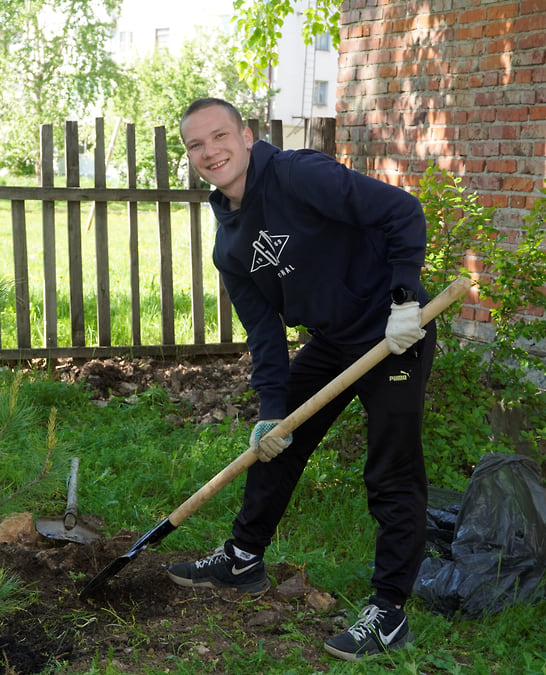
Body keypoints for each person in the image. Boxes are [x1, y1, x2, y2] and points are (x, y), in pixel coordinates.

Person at [168, 97, 436, 663]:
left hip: (394, 330)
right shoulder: (229, 248)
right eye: (196, 144)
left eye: (220, 136)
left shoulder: (298, 174)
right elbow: (265, 336)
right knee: (277, 444)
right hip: (334, 341)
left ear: (246, 134)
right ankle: (242, 558)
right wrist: (271, 409)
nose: (210, 151)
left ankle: (388, 611)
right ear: (190, 156)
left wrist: (407, 297)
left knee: (392, 467)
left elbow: (402, 212)